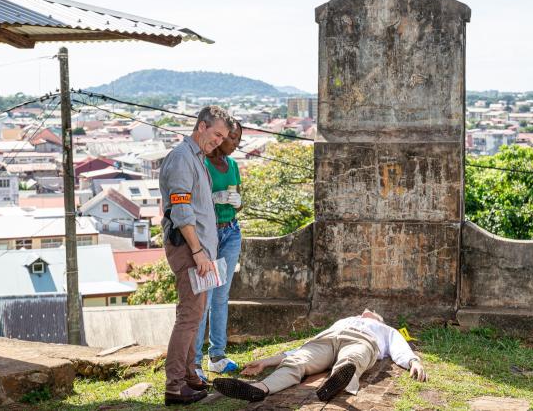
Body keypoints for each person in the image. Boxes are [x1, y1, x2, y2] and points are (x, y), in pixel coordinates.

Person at [159, 105, 234, 406]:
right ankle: (175, 385)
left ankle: (189, 375)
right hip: (190, 250)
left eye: (223, 137)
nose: (219, 141)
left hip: (200, 250)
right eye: (216, 134)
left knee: (195, 314)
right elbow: (181, 210)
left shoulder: (197, 158)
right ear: (201, 126)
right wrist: (199, 251)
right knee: (189, 317)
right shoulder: (181, 158)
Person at [213, 309, 427, 403]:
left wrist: (413, 361)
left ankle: (335, 383)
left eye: (370, 311)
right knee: (297, 361)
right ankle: (259, 389)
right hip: (327, 338)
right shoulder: (343, 320)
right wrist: (266, 362)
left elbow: (398, 345)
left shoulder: (383, 328)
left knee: (353, 358)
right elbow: (297, 351)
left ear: (377, 318)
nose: (365, 311)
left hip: (360, 340)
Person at [193, 120, 244, 379]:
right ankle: (195, 363)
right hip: (208, 234)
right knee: (203, 297)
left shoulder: (232, 165)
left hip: (231, 231)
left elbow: (238, 200)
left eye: (237, 139)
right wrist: (214, 200)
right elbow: (194, 202)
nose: (234, 144)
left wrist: (237, 203)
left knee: (221, 296)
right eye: (231, 138)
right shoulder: (201, 163)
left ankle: (218, 355)